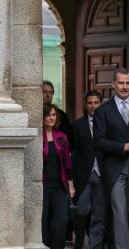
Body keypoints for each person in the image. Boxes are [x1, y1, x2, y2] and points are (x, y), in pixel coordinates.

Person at [93, 68, 129, 249]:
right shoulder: (103, 111)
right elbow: (98, 142)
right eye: (121, 83)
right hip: (114, 169)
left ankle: (114, 241)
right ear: (113, 84)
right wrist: (123, 147)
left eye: (127, 83)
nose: (124, 87)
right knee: (119, 213)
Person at [72, 90, 105, 249]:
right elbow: (73, 151)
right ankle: (78, 240)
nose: (93, 106)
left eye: (96, 103)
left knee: (98, 215)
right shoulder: (77, 125)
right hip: (83, 176)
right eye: (90, 103)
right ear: (85, 105)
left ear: (101, 104)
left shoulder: (108, 124)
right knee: (81, 210)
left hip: (101, 176)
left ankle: (95, 246)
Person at [42, 80, 74, 242]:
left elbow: (67, 162)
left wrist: (70, 183)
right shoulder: (36, 137)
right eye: (48, 115)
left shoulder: (61, 137)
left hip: (59, 185)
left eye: (54, 115)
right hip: (42, 184)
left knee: (61, 220)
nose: (51, 118)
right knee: (43, 222)